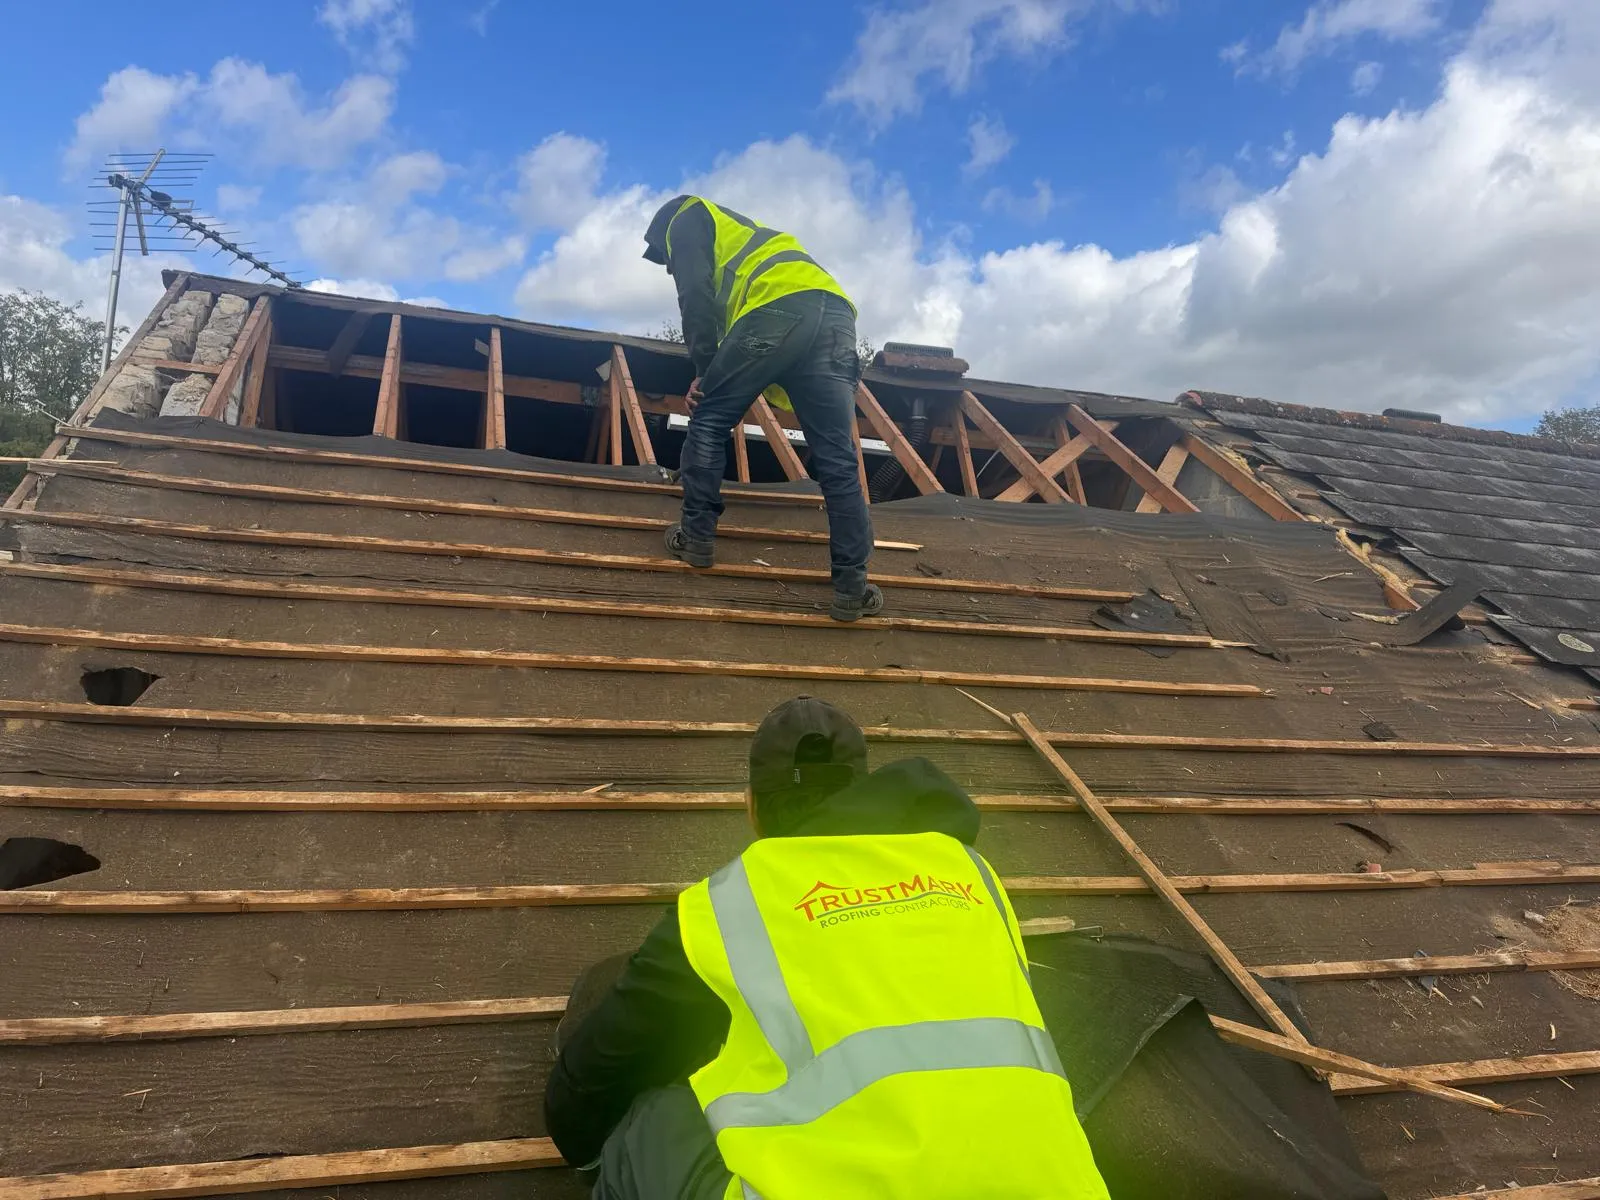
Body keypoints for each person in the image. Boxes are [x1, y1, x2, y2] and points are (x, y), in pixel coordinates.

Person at [544, 696, 1109, 1199]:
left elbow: (597, 1075)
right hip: (1055, 1187)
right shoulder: (970, 870)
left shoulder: (732, 899)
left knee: (647, 1124)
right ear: (859, 786)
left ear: (752, 808)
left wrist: (584, 1142)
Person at [642, 196, 883, 622]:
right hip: (837, 318)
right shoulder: (752, 241)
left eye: (666, 261)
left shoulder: (685, 217)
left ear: (662, 235)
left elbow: (695, 296)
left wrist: (704, 372)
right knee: (839, 459)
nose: (669, 268)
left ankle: (696, 538)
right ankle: (852, 586)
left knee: (709, 418)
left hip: (776, 309)